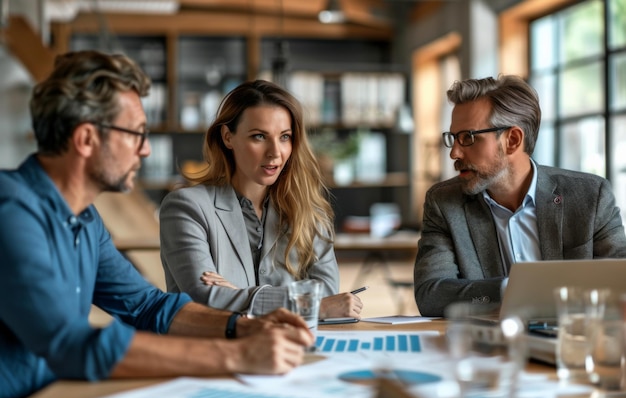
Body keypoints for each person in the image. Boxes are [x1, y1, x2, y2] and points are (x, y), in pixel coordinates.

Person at [0, 51, 314, 398]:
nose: (146, 150)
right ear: (86, 139)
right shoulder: (9, 209)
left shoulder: (86, 220)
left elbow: (147, 306)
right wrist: (237, 355)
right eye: (136, 134)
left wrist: (241, 326)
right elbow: (68, 343)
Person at [413, 74, 626, 317]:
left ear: (512, 140)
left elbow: (621, 286)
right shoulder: (444, 203)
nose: (454, 153)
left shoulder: (590, 197)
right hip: (487, 348)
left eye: (468, 138)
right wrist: (511, 289)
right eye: (453, 138)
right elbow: (431, 295)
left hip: (573, 344)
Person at [159, 79, 363, 318]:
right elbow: (204, 298)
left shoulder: (309, 212)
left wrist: (238, 295)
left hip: (295, 349)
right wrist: (312, 305)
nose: (275, 152)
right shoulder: (186, 207)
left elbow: (327, 291)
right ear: (227, 137)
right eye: (259, 136)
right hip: (218, 350)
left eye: (284, 137)